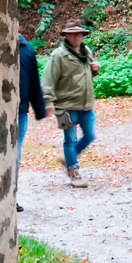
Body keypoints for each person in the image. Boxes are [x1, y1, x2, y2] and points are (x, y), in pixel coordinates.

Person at [42, 19, 100, 189]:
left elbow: (87, 75)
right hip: (66, 105)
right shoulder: (58, 56)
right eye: (73, 34)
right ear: (66, 36)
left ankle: (68, 158)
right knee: (70, 140)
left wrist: (95, 70)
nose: (77, 36)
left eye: (79, 33)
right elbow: (48, 81)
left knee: (90, 135)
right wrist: (47, 102)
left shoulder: (86, 51)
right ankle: (74, 172)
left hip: (86, 104)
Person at [18, 33, 49, 211]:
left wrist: (39, 109)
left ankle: (10, 197)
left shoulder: (27, 50)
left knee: (15, 156)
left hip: (20, 111)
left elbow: (33, 81)